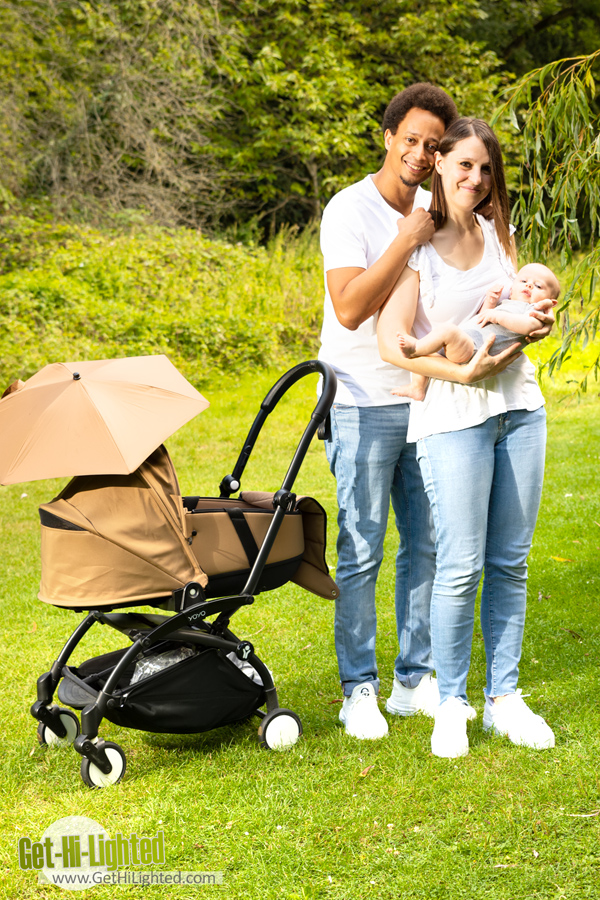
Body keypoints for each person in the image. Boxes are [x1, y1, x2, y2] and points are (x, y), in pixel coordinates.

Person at [318, 83, 553, 741]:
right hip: (366, 397)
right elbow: (353, 310)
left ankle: (413, 679)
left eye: (433, 144)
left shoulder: (447, 210)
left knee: (428, 547)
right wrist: (407, 239)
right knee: (363, 548)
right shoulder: (355, 212)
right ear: (389, 137)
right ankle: (358, 688)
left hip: (436, 399)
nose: (422, 155)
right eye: (413, 141)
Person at [377, 116, 556, 758]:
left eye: (486, 170)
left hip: (520, 409)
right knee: (459, 567)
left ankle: (504, 698)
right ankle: (451, 702)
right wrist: (460, 369)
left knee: (511, 561)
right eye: (463, 166)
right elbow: (388, 343)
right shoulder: (418, 247)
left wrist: (536, 324)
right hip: (452, 420)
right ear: (440, 166)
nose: (476, 180)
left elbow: (519, 307)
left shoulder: (497, 233)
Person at [392, 264, 560, 401]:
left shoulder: (534, 312)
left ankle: (414, 348)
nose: (529, 285)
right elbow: (483, 319)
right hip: (468, 342)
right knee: (431, 346)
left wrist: (497, 315)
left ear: (550, 302)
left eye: (538, 286)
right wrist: (490, 302)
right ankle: (417, 387)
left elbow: (527, 327)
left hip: (475, 350)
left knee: (445, 331)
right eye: (523, 280)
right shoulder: (507, 304)